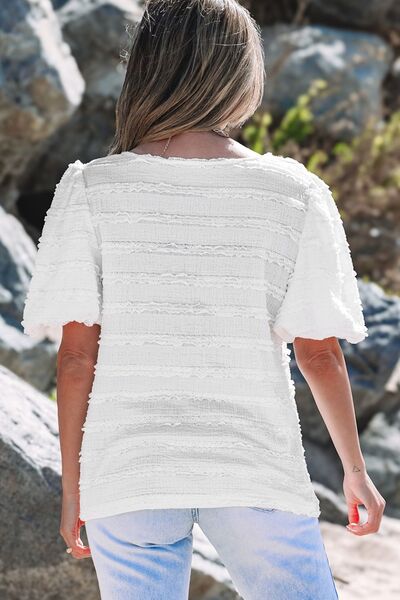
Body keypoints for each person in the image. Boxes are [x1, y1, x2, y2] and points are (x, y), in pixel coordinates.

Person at [22, 0, 386, 598]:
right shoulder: (294, 193)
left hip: (129, 471)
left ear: (147, 68)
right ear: (241, 74)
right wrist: (354, 470)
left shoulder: (89, 189)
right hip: (253, 468)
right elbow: (318, 353)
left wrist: (72, 488)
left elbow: (76, 357)